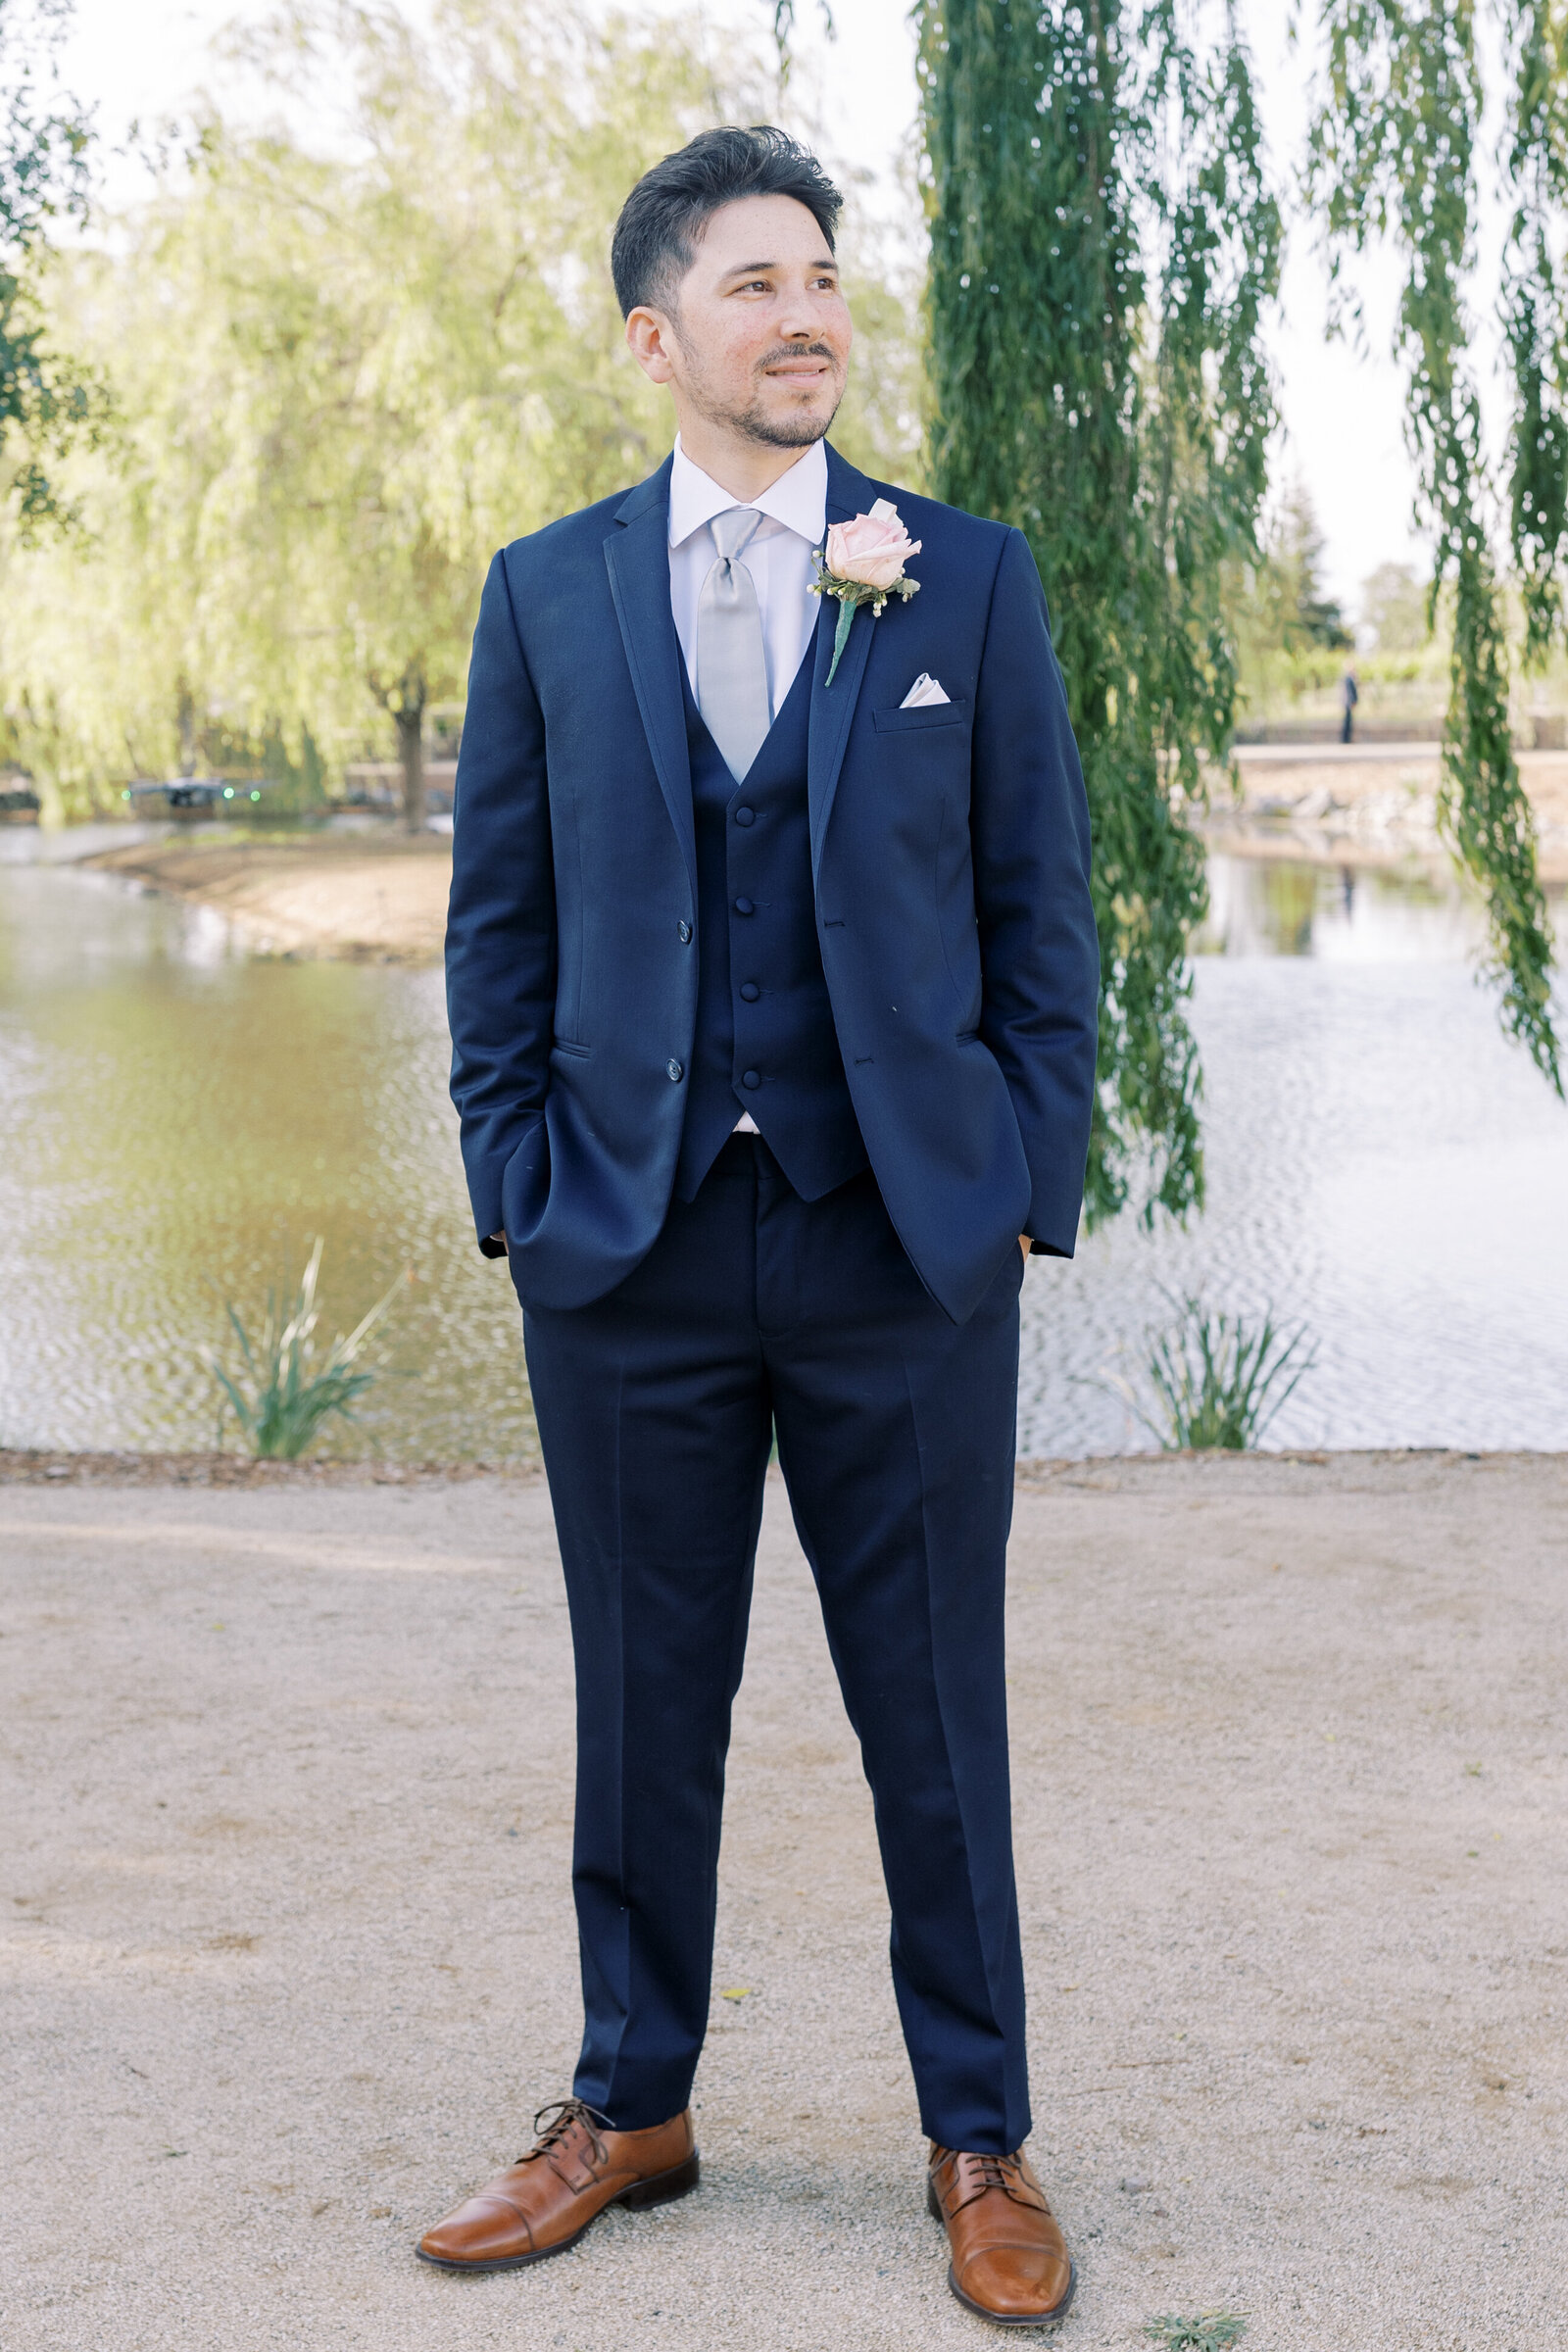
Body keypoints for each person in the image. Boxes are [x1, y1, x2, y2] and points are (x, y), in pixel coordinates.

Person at [427, 124, 1101, 2328]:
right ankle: (632, 2105)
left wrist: (1014, 1194)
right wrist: (514, 1194)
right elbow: (497, 933)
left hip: (898, 1246)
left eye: (822, 279)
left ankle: (976, 2137)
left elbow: (1040, 920)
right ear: (656, 334)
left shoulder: (961, 576)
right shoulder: (543, 591)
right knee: (644, 1699)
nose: (804, 314)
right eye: (751, 283)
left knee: (935, 1709)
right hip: (618, 1248)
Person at [1341, 664, 1359, 744]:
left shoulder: (1348, 679)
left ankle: (1346, 738)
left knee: (1348, 721)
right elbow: (1350, 693)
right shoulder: (1349, 679)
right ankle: (1346, 739)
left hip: (1348, 703)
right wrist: (1352, 702)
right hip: (1348, 703)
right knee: (1347, 722)